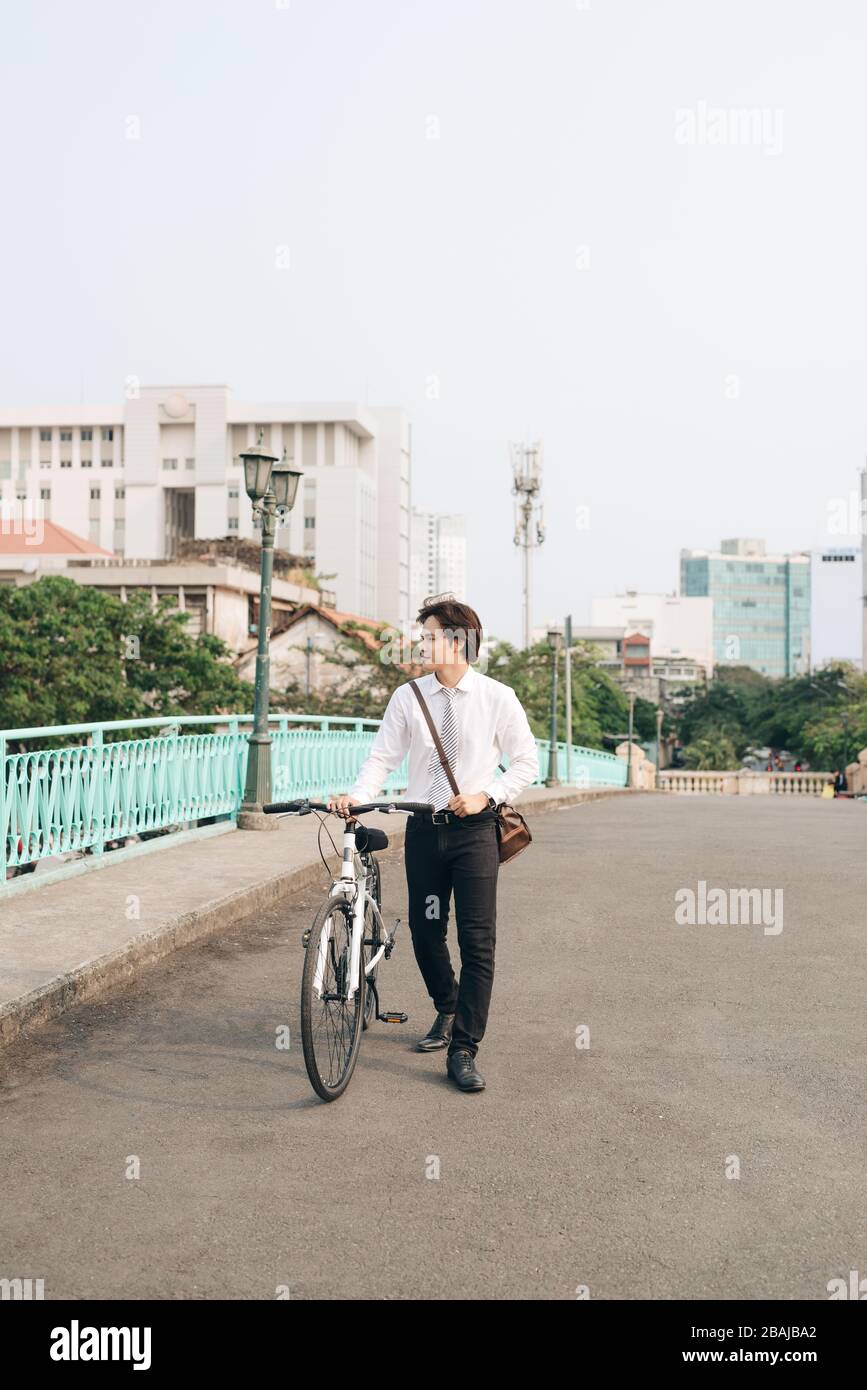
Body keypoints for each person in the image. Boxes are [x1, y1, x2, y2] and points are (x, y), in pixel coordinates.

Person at [329, 598, 539, 1094]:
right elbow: (383, 757)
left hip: (474, 833)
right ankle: (448, 1005)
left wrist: (488, 794)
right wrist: (357, 798)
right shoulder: (408, 697)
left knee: (477, 941)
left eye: (430, 636)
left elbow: (527, 762)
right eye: (421, 636)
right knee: (426, 931)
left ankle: (464, 1048)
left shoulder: (497, 697)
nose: (422, 644)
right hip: (424, 829)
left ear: (459, 640)